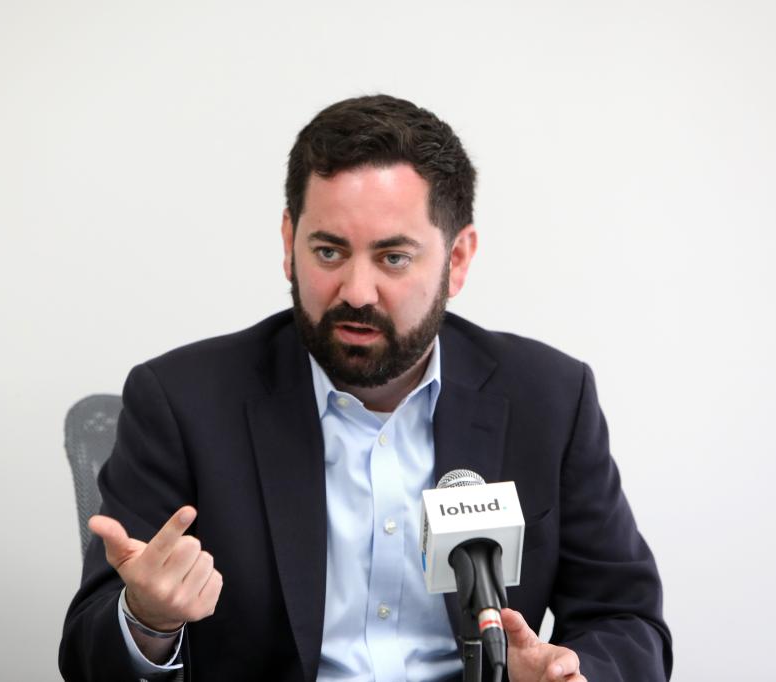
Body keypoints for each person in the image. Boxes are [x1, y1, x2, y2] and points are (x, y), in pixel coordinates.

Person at [59, 94, 672, 681]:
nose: (356, 290)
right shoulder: (182, 401)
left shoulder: (550, 398)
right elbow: (87, 654)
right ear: (287, 244)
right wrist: (147, 621)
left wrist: (573, 675)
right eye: (328, 251)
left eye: (393, 258)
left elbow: (624, 616)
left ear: (457, 259)